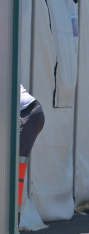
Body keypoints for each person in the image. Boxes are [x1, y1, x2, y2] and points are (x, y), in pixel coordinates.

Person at [19, 85, 45, 214]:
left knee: (15, 165)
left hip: (28, 113)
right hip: (28, 112)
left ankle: (13, 222)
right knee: (16, 166)